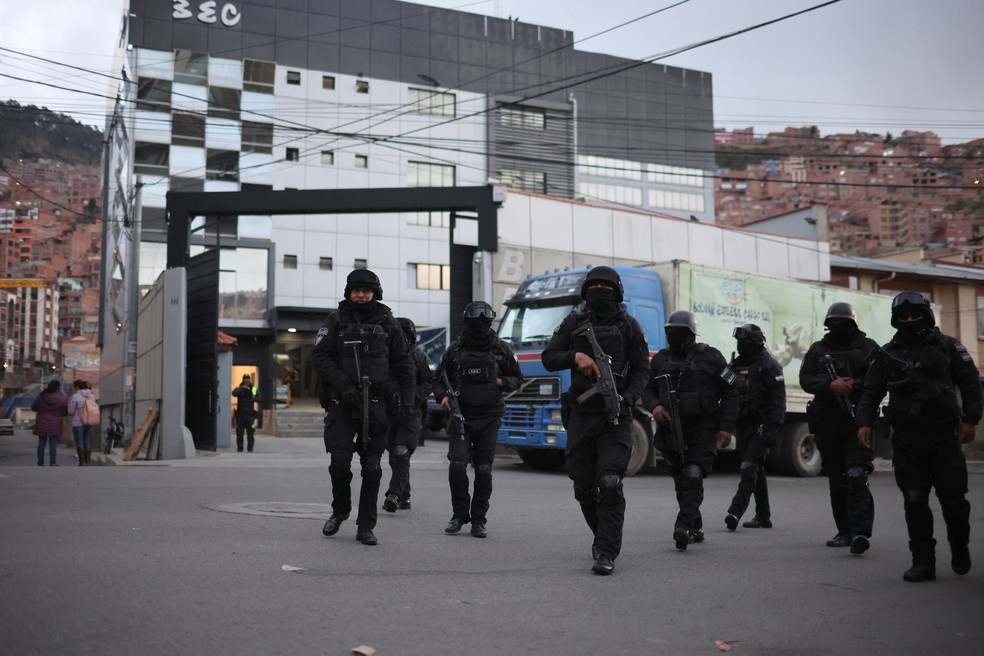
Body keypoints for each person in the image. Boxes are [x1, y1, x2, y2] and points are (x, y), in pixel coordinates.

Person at [856, 292, 981, 582]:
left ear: (926, 316)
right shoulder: (888, 353)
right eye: (904, 317)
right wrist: (864, 423)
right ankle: (923, 561)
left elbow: (971, 383)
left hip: (943, 437)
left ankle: (959, 546)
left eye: (915, 316)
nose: (910, 320)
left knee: (954, 501)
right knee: (914, 500)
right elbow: (872, 391)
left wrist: (971, 419)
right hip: (907, 440)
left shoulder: (948, 346)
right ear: (895, 320)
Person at [541, 266, 650, 575]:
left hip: (615, 418)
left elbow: (643, 369)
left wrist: (626, 398)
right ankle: (601, 535)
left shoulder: (629, 326)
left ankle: (606, 551)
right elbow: (548, 357)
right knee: (584, 488)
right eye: (595, 285)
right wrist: (575, 357)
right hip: (581, 416)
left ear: (616, 291)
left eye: (606, 285)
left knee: (611, 483)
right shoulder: (573, 324)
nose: (600, 289)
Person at [311, 269, 415, 546]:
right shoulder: (336, 320)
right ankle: (340, 510)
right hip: (342, 404)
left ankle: (366, 525)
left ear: (375, 293)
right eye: (356, 290)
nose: (360, 295)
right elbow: (319, 356)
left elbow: (404, 365)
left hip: (378, 405)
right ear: (348, 292)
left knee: (372, 467)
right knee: (339, 464)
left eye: (365, 291)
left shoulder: (387, 322)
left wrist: (408, 402)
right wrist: (344, 386)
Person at [642, 310, 739, 550]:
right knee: (680, 480)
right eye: (670, 331)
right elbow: (646, 390)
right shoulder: (660, 360)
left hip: (702, 427)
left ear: (691, 333)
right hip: (671, 427)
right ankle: (695, 526)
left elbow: (731, 392)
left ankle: (682, 526)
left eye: (679, 331)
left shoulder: (712, 357)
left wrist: (726, 427)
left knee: (694, 474)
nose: (673, 335)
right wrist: (655, 406)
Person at [434, 301, 523, 539]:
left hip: (490, 417)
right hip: (461, 415)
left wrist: (499, 382)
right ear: (467, 322)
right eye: (476, 321)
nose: (480, 325)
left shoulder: (501, 349)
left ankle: (478, 520)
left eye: (485, 321)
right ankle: (459, 515)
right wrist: (443, 396)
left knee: (483, 470)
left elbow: (518, 380)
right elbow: (438, 379)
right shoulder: (455, 349)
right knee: (457, 467)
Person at [799, 302, 880, 555]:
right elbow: (805, 379)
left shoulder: (868, 348)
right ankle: (844, 531)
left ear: (852, 324)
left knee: (857, 474)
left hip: (858, 422)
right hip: (828, 424)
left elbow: (880, 378)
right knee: (837, 480)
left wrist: (854, 384)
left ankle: (859, 532)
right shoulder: (818, 349)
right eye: (832, 324)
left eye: (841, 324)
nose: (836, 328)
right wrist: (830, 384)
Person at [724, 324, 786, 531]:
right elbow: (723, 387)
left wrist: (773, 427)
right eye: (739, 342)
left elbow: (779, 400)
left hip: (762, 425)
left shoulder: (769, 366)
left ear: (757, 343)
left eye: (746, 342)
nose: (741, 346)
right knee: (756, 470)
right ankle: (763, 515)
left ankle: (735, 511)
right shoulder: (735, 365)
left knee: (748, 468)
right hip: (743, 425)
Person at [382, 317, 434, 513]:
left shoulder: (420, 357)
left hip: (412, 413)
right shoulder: (386, 357)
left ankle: (393, 495)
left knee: (401, 453)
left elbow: (429, 382)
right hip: (389, 412)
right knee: (394, 457)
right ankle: (405, 496)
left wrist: (410, 398)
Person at [32, 380, 68, 467]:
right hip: (55, 422)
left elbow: (34, 407)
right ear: (58, 387)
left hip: (42, 421)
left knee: (41, 442)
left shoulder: (41, 396)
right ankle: (53, 462)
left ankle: (40, 462)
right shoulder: (61, 397)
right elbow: (64, 411)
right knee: (53, 443)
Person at [67, 380, 97, 466]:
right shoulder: (92, 396)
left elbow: (71, 411)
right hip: (89, 421)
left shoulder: (75, 397)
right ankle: (88, 462)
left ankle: (81, 462)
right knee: (87, 440)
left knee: (79, 442)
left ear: (78, 387)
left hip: (78, 422)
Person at [231, 374, 260, 452]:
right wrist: (241, 388)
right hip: (240, 415)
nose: (247, 380)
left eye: (248, 379)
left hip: (250, 415)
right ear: (243, 380)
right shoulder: (239, 388)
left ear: (250, 380)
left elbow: (260, 398)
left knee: (251, 433)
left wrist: (254, 398)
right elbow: (234, 393)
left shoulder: (253, 389)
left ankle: (250, 448)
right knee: (239, 433)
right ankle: (240, 448)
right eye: (245, 379)